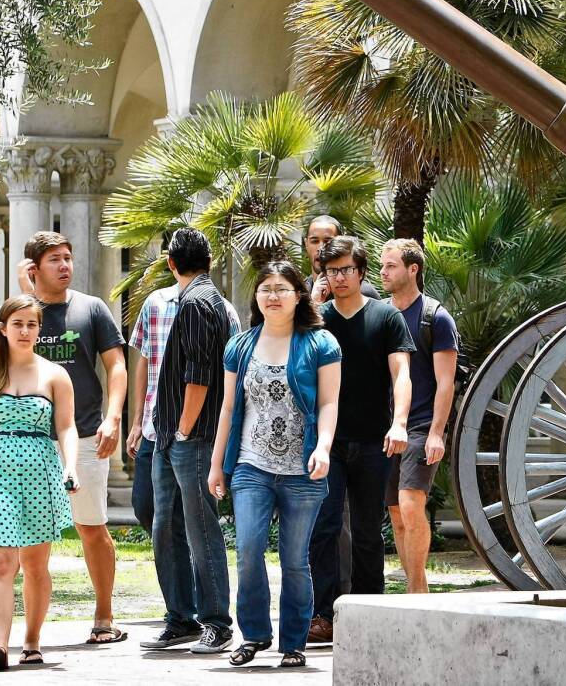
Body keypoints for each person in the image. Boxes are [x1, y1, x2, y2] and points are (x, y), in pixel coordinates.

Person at [208, 260, 340, 668]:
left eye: (281, 288)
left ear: (298, 294)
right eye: (265, 288)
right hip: (252, 466)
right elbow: (229, 408)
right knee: (248, 550)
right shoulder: (240, 345)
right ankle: (254, 635)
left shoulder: (321, 344)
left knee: (295, 559)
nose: (272, 296)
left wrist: (323, 448)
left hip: (302, 469)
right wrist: (217, 466)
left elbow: (329, 402)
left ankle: (293, 642)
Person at [0, 295, 79, 671]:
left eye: (32, 324)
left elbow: (67, 426)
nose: (25, 331)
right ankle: (0, 646)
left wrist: (72, 466)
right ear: (2, 328)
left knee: (36, 565)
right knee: (2, 563)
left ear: (40, 329)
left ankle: (33, 641)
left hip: (41, 473)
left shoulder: (55, 375)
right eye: (17, 324)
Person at [15, 231, 129, 645]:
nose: (65, 266)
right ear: (33, 269)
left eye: (68, 259)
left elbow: (116, 367)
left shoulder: (92, 309)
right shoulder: (23, 315)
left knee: (91, 527)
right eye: (54, 261)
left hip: (82, 437)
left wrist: (112, 417)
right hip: (27, 443)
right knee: (18, 534)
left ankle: (104, 616)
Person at [127, 252, 240, 650]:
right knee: (161, 523)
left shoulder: (208, 306)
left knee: (200, 527)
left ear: (171, 262)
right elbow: (145, 364)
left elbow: (208, 374)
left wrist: (186, 428)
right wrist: (141, 421)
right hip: (163, 431)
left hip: (190, 434)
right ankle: (181, 618)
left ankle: (216, 622)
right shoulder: (158, 303)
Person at [307, 236, 413, 644]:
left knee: (368, 530)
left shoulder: (386, 317)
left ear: (361, 272)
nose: (339, 277)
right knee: (326, 527)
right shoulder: (317, 321)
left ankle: (371, 610)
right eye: (331, 270)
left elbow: (401, 374)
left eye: (346, 269)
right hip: (327, 443)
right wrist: (312, 306)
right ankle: (323, 614)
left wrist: (399, 422)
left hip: (373, 441)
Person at [380, 239, 458, 593]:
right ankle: (416, 587)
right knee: (396, 512)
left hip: (422, 423)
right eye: (382, 265)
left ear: (413, 269)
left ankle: (417, 590)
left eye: (392, 265)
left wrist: (437, 432)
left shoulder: (435, 317)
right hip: (384, 426)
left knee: (411, 505)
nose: (384, 271)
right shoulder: (380, 313)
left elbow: (446, 382)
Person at [303, 215, 380, 301]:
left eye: (327, 241)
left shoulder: (364, 293)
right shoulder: (299, 293)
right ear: (306, 244)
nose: (320, 247)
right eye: (314, 241)